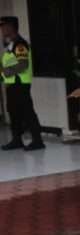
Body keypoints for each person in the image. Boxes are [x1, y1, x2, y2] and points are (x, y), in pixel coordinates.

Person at [0, 16, 44, 151]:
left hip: (20, 84)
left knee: (27, 112)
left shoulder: (20, 44)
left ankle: (38, 141)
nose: (2, 30)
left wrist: (6, 72)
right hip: (12, 85)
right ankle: (17, 140)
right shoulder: (10, 45)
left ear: (11, 27)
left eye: (4, 26)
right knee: (14, 113)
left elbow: (23, 64)